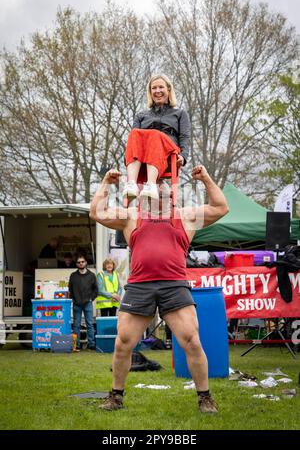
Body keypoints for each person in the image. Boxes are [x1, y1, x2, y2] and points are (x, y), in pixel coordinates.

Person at [90, 165, 229, 413]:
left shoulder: (185, 215)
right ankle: (116, 396)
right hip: (140, 284)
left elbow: (221, 207)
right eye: (155, 186)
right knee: (123, 342)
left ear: (172, 195)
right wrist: (106, 183)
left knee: (192, 341)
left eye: (166, 186)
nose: (160, 189)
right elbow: (96, 212)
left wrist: (206, 177)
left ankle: (205, 397)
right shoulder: (132, 215)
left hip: (174, 285)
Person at [123, 74, 190, 200]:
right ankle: (131, 184)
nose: (157, 91)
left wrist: (184, 156)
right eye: (154, 88)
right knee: (134, 133)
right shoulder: (140, 116)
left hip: (168, 152)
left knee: (154, 134)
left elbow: (184, 137)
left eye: (161, 87)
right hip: (144, 156)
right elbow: (134, 141)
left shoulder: (180, 114)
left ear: (168, 90)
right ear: (150, 92)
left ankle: (151, 184)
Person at [68, 254, 98, 351]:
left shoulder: (91, 275)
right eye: (79, 262)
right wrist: (73, 298)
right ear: (76, 264)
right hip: (76, 304)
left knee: (89, 324)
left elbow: (96, 289)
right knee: (76, 325)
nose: (81, 263)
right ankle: (76, 345)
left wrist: (91, 299)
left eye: (82, 262)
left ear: (86, 262)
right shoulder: (73, 276)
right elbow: (70, 289)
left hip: (87, 303)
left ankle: (91, 344)